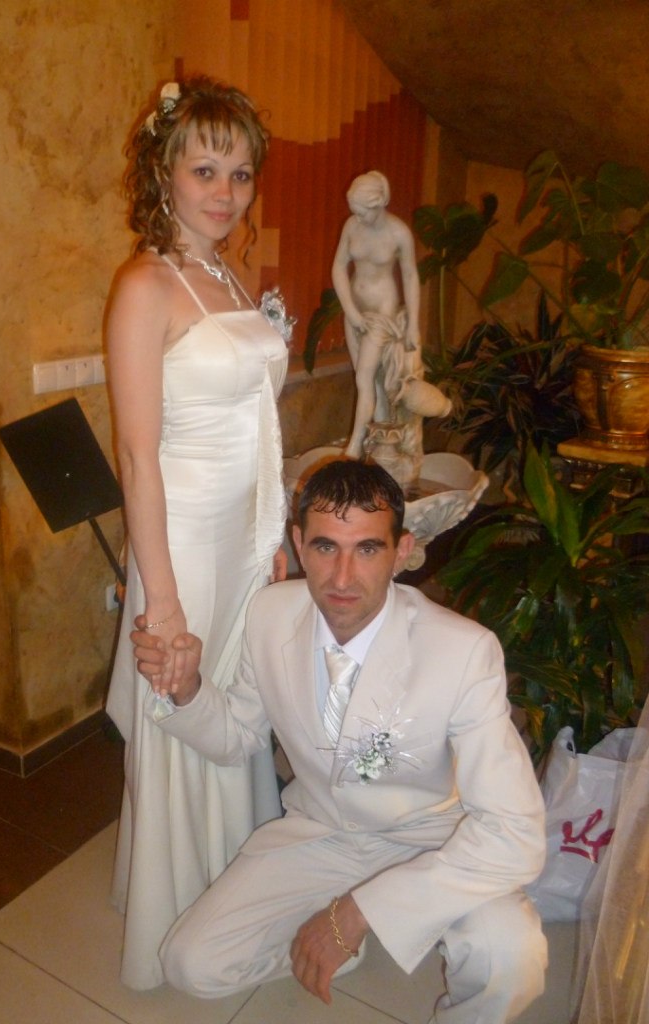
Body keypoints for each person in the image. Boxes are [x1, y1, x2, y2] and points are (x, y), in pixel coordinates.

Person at [133, 459, 548, 1023]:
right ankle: (339, 951)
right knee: (192, 964)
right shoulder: (269, 614)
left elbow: (516, 834)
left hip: (432, 839)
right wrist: (186, 691)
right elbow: (237, 737)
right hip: (322, 833)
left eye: (368, 549)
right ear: (300, 545)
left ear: (402, 552)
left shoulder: (463, 651)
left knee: (512, 957)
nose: (344, 577)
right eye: (326, 547)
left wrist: (359, 912)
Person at [104, 75, 292, 991]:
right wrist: (165, 605)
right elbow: (137, 457)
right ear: (164, 171)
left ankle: (234, 885)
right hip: (179, 544)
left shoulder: (225, 275)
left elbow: (260, 419)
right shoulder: (145, 285)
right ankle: (177, 913)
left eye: (241, 173)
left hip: (242, 538)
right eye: (205, 169)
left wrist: (273, 530)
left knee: (239, 702)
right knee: (185, 708)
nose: (225, 192)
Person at [331, 171, 422, 458]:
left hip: (382, 312)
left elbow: (410, 276)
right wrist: (351, 311)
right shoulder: (352, 226)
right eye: (354, 212)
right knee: (368, 378)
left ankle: (355, 445)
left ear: (379, 203)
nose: (357, 218)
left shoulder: (399, 233)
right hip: (354, 309)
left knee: (364, 378)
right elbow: (338, 268)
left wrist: (413, 325)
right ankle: (381, 438)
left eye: (362, 212)